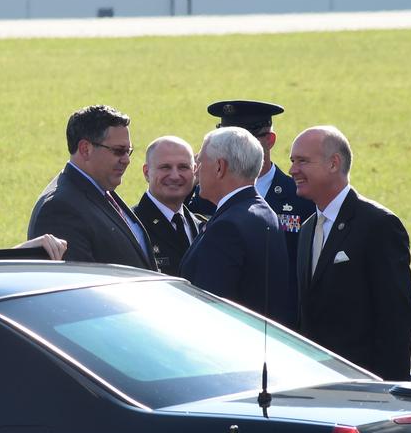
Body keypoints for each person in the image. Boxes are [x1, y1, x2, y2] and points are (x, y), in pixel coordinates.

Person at [290, 125, 411, 380]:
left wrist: (385, 389)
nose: (293, 170)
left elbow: (396, 319)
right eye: (293, 161)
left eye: (302, 161)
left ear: (333, 163)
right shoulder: (307, 230)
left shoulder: (378, 225)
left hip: (364, 387)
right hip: (316, 383)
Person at [180, 128, 294, 326]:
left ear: (219, 167)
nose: (196, 170)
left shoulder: (227, 227)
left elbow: (209, 309)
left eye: (200, 163)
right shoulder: (265, 212)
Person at [27, 104, 155, 269]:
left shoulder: (100, 190)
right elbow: (78, 287)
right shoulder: (59, 208)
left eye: (128, 151)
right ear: (85, 149)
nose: (126, 160)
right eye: (118, 151)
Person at [206, 99, 315, 272]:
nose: (232, 150)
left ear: (270, 140)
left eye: (245, 142)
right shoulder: (203, 196)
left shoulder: (301, 196)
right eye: (225, 142)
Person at [131, 136, 203, 276]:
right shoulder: (131, 226)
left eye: (183, 167)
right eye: (165, 167)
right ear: (146, 172)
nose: (175, 176)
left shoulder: (202, 225)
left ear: (194, 171)